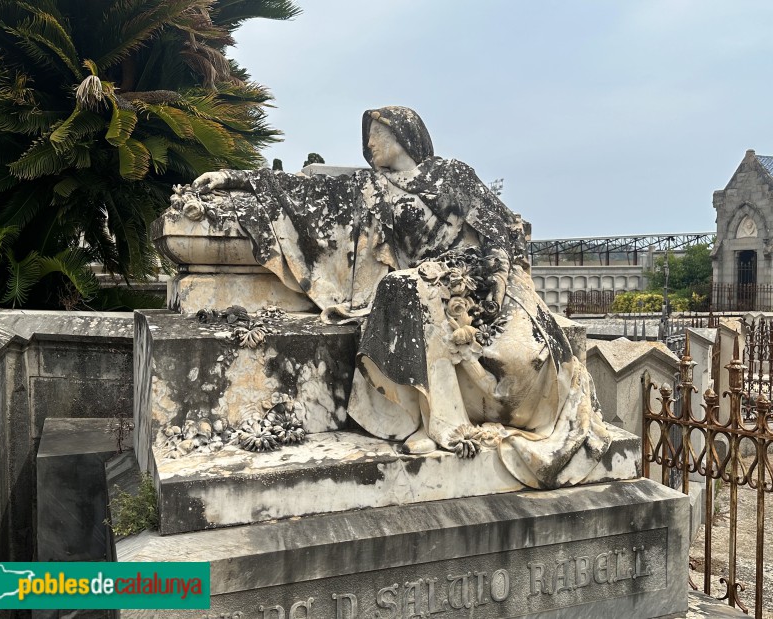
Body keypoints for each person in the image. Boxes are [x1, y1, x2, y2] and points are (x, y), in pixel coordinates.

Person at [188, 106, 611, 489]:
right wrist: (235, 179)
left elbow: (498, 225)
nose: (370, 144)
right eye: (368, 137)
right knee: (400, 287)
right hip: (423, 280)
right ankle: (444, 424)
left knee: (514, 353)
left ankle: (478, 408)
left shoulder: (451, 174)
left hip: (475, 278)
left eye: (377, 134)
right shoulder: (371, 188)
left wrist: (497, 274)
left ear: (403, 135)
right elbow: (304, 195)